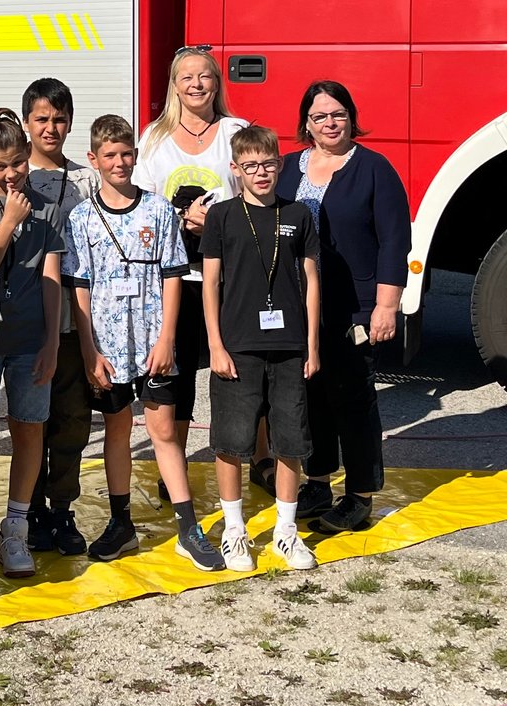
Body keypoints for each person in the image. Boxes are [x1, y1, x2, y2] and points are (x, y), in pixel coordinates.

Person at [61, 116, 207, 567]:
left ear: (136, 156)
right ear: (94, 160)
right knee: (118, 430)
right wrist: (90, 351)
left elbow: (172, 278)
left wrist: (166, 339)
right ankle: (120, 522)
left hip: (153, 345)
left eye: (126, 153)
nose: (119, 162)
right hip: (108, 349)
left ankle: (188, 526)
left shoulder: (160, 211)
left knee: (163, 430)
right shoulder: (82, 218)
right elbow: (78, 288)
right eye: (109, 155)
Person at [274, 81, 409, 533]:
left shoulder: (375, 170)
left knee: (352, 399)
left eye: (337, 114)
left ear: (351, 117)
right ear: (306, 124)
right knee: (309, 397)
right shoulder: (288, 168)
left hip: (354, 306)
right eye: (319, 117)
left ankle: (360, 494)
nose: (329, 123)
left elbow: (394, 241)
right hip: (298, 306)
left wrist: (386, 306)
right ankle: (317, 481)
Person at [202, 126, 321, 573]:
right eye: (250, 165)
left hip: (290, 344)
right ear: (236, 170)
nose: (261, 172)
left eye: (268, 164)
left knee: (290, 438)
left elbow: (312, 283)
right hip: (237, 345)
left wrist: (311, 344)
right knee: (231, 440)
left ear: (281, 164)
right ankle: (235, 531)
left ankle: (286, 533)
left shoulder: (299, 214)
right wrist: (216, 343)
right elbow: (210, 284)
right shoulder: (223, 217)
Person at [132, 46, 250, 488]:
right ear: (174, 86)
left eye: (205, 76)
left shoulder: (236, 131)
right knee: (177, 376)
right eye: (187, 77)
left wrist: (216, 222)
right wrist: (183, 220)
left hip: (229, 276)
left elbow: (256, 193)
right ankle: (172, 470)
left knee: (237, 370)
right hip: (175, 279)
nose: (197, 84)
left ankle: (251, 458)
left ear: (217, 83)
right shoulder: (153, 139)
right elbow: (142, 205)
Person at [0, 111, 64, 579]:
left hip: (29, 337)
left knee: (30, 429)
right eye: (0, 166)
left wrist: (51, 341)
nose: (11, 175)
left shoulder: (46, 205)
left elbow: (51, 277)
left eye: (18, 164)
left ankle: (15, 528)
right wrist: (7, 222)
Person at [22, 78, 100, 555]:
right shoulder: (13, 177)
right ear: (27, 122)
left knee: (72, 421)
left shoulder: (88, 181)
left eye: (59, 119)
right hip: (28, 327)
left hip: (76, 324)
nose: (51, 128)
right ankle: (27, 510)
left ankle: (61, 509)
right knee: (32, 422)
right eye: (41, 119)